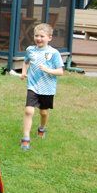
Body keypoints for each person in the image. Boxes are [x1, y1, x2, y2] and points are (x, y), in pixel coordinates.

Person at [20, 23, 64, 151]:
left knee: (43, 112)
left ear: (49, 38)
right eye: (36, 36)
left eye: (42, 36)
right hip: (33, 86)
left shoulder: (54, 53)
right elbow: (26, 61)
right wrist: (24, 72)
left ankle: (42, 128)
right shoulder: (30, 50)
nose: (38, 38)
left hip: (47, 88)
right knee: (29, 111)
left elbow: (60, 71)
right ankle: (26, 138)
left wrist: (48, 70)